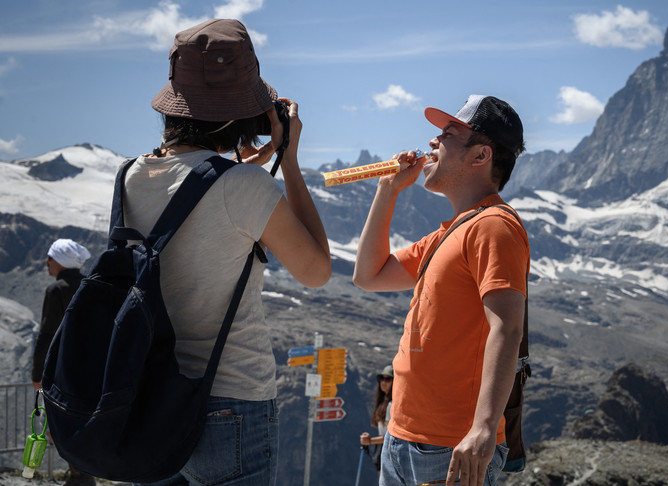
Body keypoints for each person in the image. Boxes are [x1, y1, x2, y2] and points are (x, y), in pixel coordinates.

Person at [126, 19, 331, 485]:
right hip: (231, 401)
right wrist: (288, 158)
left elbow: (197, 183)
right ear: (243, 112)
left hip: (148, 394)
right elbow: (316, 270)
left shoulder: (131, 176)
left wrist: (258, 160)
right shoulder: (244, 186)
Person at [353, 95, 530, 486]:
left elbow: (507, 328)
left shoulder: (494, 226)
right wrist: (388, 190)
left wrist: (483, 429)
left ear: (481, 155)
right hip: (404, 437)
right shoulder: (448, 233)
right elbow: (369, 276)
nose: (432, 142)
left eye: (447, 134)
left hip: (451, 446)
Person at [31, 238, 95, 486]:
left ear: (59, 260)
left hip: (62, 370)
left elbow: (47, 334)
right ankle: (82, 473)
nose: (46, 262)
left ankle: (79, 476)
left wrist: (37, 373)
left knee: (57, 423)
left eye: (50, 257)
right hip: (92, 368)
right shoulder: (92, 285)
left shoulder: (56, 290)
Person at [360, 364, 394, 474]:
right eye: (381, 378)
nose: (383, 382)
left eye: (388, 379)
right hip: (384, 449)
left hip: (388, 450)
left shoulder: (391, 405)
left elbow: (391, 436)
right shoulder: (384, 402)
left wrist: (369, 441)